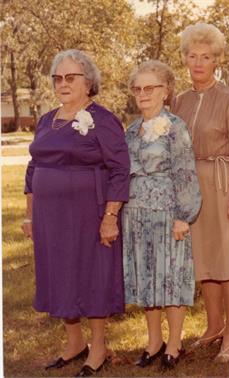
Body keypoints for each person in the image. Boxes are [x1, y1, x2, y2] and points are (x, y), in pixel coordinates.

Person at [21, 49, 130, 376]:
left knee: (91, 275)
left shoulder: (103, 119)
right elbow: (33, 168)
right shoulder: (45, 119)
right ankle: (74, 342)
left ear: (88, 82)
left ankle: (98, 347)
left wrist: (110, 217)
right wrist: (29, 215)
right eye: (58, 78)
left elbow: (120, 170)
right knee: (59, 275)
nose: (63, 83)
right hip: (49, 216)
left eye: (71, 77)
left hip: (89, 212)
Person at [171, 22, 229, 363]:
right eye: (192, 56)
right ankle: (214, 325)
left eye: (205, 57)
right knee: (205, 258)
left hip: (224, 184)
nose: (198, 63)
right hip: (192, 189)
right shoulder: (180, 101)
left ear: (216, 61)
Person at [123, 60, 202, 369]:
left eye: (149, 88)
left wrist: (185, 215)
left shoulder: (175, 127)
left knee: (169, 278)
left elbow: (186, 173)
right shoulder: (131, 130)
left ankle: (175, 343)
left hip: (169, 213)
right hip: (137, 213)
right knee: (147, 278)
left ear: (165, 91)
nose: (142, 94)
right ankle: (153, 341)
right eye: (137, 88)